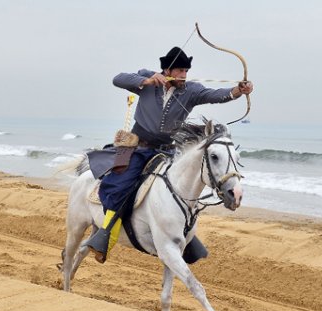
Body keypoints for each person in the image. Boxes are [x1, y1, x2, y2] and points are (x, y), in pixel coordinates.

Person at [86, 46, 253, 263]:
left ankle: (185, 239)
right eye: (180, 70)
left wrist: (238, 91)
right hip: (138, 148)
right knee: (119, 186)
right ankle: (105, 235)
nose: (184, 75)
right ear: (167, 71)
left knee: (185, 191)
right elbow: (118, 79)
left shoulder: (191, 91)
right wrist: (146, 81)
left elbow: (216, 95)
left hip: (167, 150)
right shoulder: (148, 82)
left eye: (186, 71)